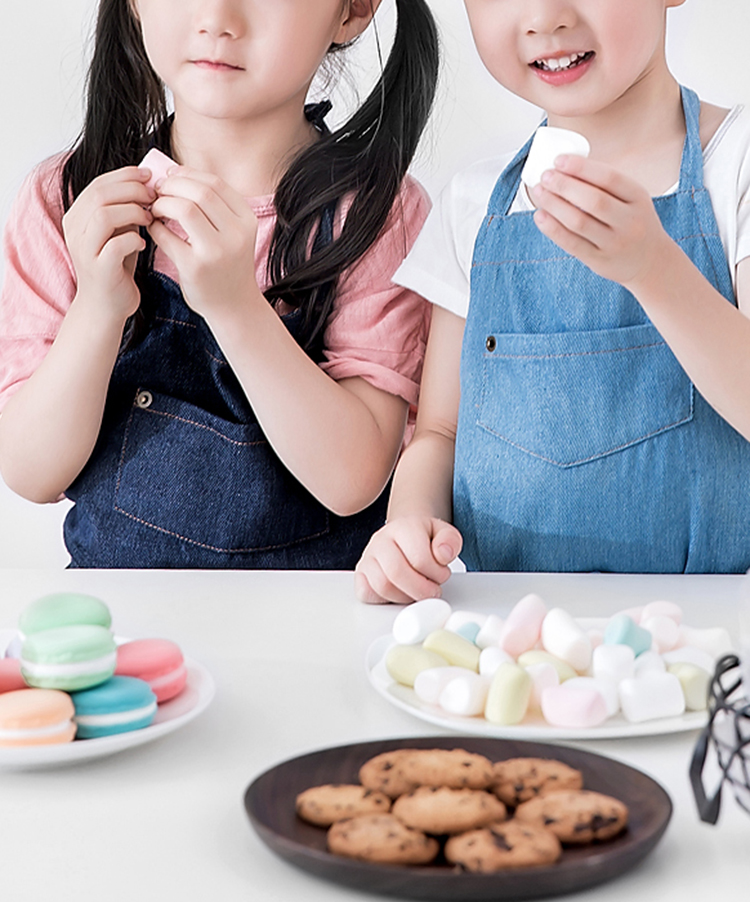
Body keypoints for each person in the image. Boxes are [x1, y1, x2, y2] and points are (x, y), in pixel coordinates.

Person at [0, 0, 438, 569]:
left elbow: (353, 479)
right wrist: (98, 308)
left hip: (310, 628)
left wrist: (235, 307)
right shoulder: (67, 197)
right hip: (123, 628)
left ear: (352, 11)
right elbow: (30, 470)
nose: (217, 16)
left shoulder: (378, 214)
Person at [355, 0, 750, 604]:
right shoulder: (474, 204)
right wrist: (406, 525)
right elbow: (438, 431)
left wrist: (655, 270)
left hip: (710, 632)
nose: (542, 15)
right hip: (515, 633)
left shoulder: (737, 164)